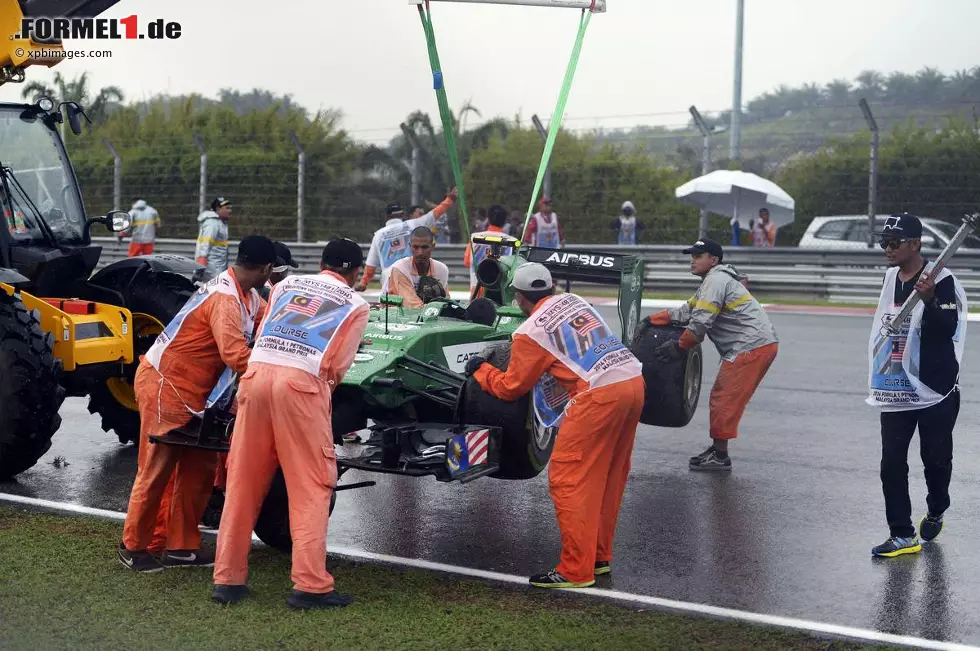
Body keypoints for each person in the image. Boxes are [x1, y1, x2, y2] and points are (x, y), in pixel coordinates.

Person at [465, 263, 645, 589]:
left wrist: (481, 369)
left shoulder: (529, 331)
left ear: (518, 297)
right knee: (607, 475)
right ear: (551, 286)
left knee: (569, 480)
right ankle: (598, 557)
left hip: (598, 395)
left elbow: (511, 388)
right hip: (632, 381)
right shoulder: (575, 301)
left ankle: (576, 571)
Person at [213, 238, 370, 609]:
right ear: (356, 272)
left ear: (321, 262)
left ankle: (227, 580)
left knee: (242, 485)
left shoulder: (284, 285)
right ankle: (311, 586)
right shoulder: (357, 304)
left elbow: (264, 331)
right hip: (301, 388)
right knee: (312, 487)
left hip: (254, 378)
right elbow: (336, 368)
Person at [118, 235, 275, 573]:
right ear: (266, 268)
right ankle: (134, 545)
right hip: (166, 383)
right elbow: (235, 355)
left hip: (196, 392)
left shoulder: (246, 295)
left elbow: (268, 318)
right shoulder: (226, 298)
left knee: (199, 466)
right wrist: (278, 369)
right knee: (157, 466)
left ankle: (182, 546)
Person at [866, 214, 967, 558]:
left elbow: (949, 327)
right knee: (891, 462)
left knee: (935, 460)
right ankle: (902, 534)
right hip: (896, 386)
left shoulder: (943, 279)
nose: (888, 250)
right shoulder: (890, 278)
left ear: (916, 245)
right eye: (884, 243)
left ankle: (938, 507)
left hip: (935, 389)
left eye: (894, 243)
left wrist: (929, 300)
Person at [640, 238, 778, 471]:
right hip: (756, 345)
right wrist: (652, 319)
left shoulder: (716, 280)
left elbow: (700, 323)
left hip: (751, 347)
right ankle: (718, 450)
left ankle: (721, 456)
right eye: (692, 256)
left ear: (713, 260)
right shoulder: (713, 281)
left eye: (698, 256)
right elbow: (687, 311)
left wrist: (679, 346)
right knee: (722, 397)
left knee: (723, 398)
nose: (692, 260)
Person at [354, 188, 457, 291]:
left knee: (390, 306)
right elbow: (434, 214)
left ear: (386, 216)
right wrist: (449, 199)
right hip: (411, 278)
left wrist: (363, 283)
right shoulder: (413, 224)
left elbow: (371, 265)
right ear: (403, 215)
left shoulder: (379, 235)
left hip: (389, 281)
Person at [383, 226, 450, 308]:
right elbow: (411, 305)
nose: (420, 252)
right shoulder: (400, 269)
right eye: (416, 247)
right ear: (410, 246)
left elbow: (445, 302)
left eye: (424, 247)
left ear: (433, 246)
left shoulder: (441, 270)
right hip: (392, 316)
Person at [465, 204, 513, 297]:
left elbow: (467, 262)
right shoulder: (512, 241)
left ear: (488, 219)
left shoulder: (474, 238)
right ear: (504, 221)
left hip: (477, 291)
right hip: (501, 293)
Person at [195, 197, 232, 281]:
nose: (230, 211)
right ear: (218, 209)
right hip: (211, 271)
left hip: (217, 269)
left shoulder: (220, 223)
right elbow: (205, 246)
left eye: (230, 208)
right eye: (227, 208)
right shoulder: (212, 223)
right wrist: (199, 269)